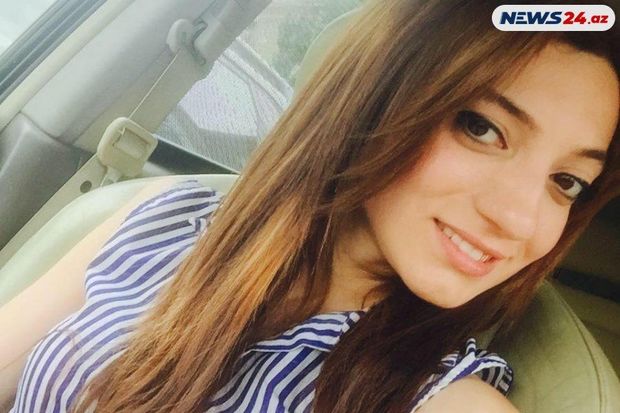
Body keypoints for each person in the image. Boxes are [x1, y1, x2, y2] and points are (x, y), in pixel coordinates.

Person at [1, 0, 619, 411]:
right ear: (378, 97)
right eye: (481, 128)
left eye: (567, 182)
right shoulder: (165, 219)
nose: (520, 219)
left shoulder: (442, 398)